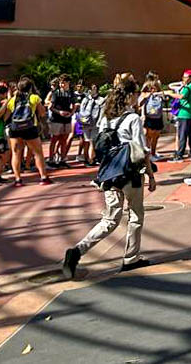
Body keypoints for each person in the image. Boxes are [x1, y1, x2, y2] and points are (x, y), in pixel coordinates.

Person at [62, 76, 155, 278]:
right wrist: (150, 174)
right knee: (136, 216)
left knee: (109, 220)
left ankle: (77, 250)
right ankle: (131, 258)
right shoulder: (133, 119)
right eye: (137, 93)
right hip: (131, 174)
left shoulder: (106, 118)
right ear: (130, 95)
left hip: (110, 175)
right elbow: (142, 150)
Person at [7, 77, 51, 186]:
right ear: (31, 87)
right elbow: (42, 113)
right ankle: (43, 177)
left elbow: (8, 115)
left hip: (15, 128)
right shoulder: (34, 98)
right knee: (38, 153)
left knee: (16, 154)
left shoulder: (13, 100)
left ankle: (18, 179)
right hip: (30, 127)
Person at [165, 70, 191, 162]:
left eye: (186, 77)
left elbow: (181, 96)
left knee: (182, 136)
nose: (184, 79)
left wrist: (169, 93)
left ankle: (180, 155)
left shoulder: (188, 88)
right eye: (184, 77)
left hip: (184, 115)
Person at [46, 75, 76, 167]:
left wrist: (71, 113)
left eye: (63, 82)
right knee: (54, 139)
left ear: (68, 83)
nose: (61, 84)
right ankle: (51, 159)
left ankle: (63, 159)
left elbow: (74, 105)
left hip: (67, 119)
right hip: (56, 119)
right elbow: (50, 107)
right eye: (60, 83)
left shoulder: (71, 93)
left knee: (64, 140)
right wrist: (59, 112)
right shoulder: (55, 93)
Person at [138, 74, 166, 162]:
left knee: (156, 136)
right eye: (152, 88)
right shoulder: (145, 94)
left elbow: (165, 98)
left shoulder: (159, 95)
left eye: (155, 87)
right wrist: (143, 115)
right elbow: (140, 104)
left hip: (158, 117)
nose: (153, 90)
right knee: (148, 137)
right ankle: (148, 155)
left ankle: (153, 153)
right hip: (149, 117)